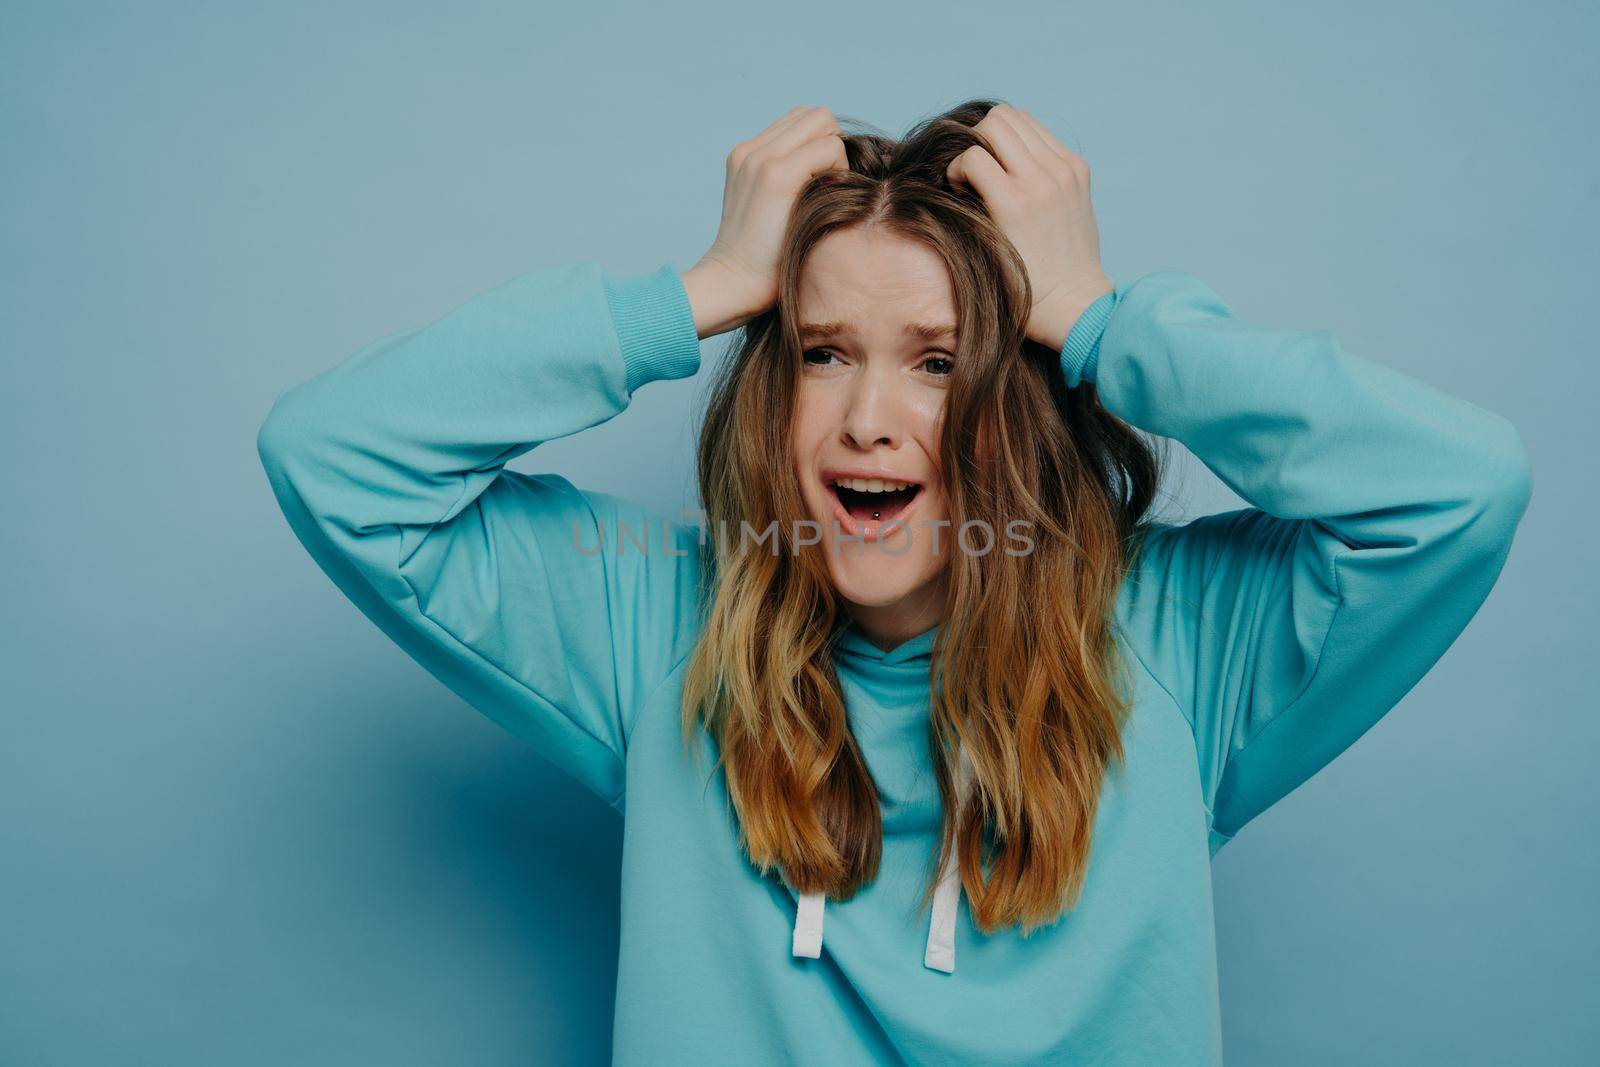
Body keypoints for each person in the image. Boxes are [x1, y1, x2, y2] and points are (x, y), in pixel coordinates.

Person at [255, 99, 1533, 1065]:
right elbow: (334, 458)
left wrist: (1100, 318)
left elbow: (1456, 487)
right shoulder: (653, 628)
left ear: (1025, 404)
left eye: (938, 362)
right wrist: (693, 293)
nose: (869, 419)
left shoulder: (1185, 641)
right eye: (821, 351)